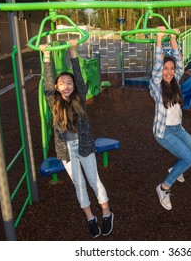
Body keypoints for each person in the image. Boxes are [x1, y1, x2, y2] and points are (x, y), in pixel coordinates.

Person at [40, 40, 113, 238]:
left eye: (69, 83)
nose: (66, 86)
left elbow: (79, 78)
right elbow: (46, 84)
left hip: (84, 145)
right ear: (56, 86)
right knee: (79, 184)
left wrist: (73, 52)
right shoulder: (54, 101)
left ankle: (106, 212)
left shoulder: (79, 98)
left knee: (93, 180)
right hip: (66, 150)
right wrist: (46, 56)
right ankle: (90, 217)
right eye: (62, 83)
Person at [149, 26, 191, 211]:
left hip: (177, 128)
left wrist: (173, 39)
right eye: (166, 69)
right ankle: (164, 187)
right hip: (164, 132)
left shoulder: (175, 82)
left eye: (170, 69)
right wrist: (159, 39)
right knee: (189, 159)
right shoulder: (156, 86)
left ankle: (176, 169)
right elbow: (157, 67)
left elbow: (179, 63)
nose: (169, 72)